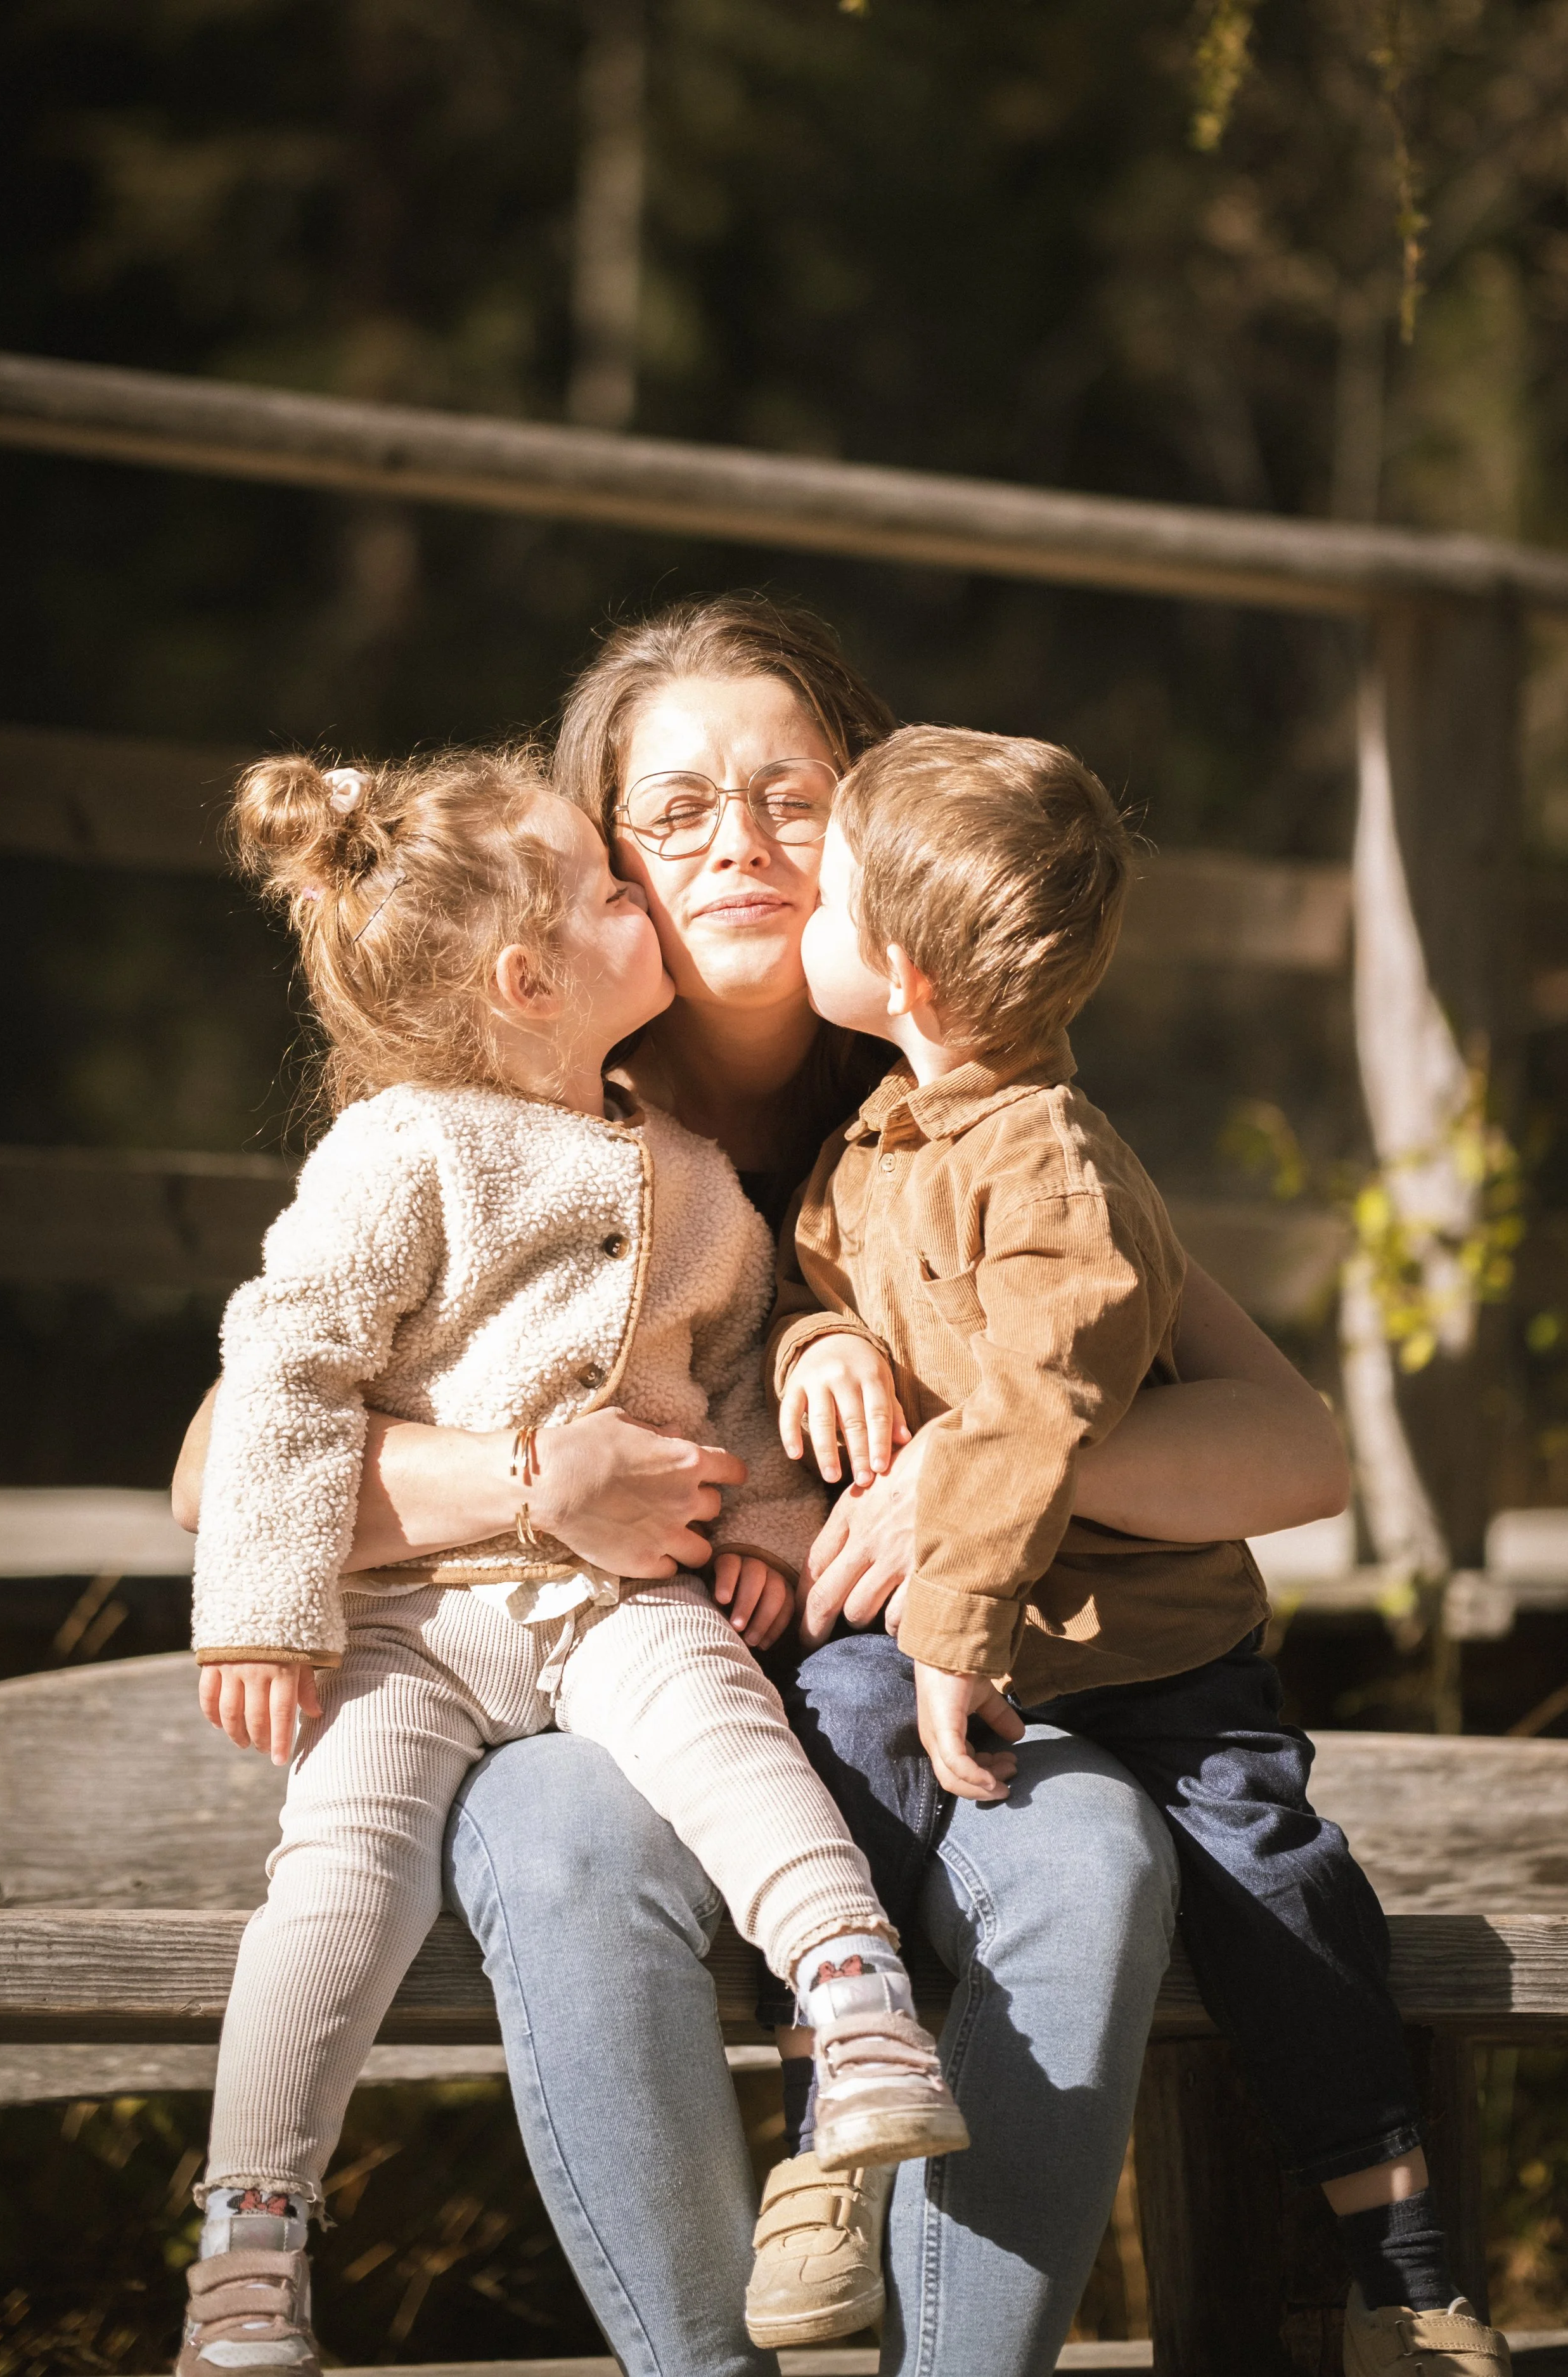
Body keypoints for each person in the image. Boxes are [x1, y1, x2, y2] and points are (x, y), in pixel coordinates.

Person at [176, 595, 1350, 2376]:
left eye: (793, 796)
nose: (738, 840)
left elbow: (1298, 1449)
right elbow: (221, 1463)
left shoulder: (967, 1105)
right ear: (586, 877)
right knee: (562, 1833)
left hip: (900, 1700)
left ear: (874, 830)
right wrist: (531, 1472)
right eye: (673, 811)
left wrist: (980, 1457)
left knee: (1093, 1846)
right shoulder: (507, 1117)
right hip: (597, 1686)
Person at [176, 741, 967, 2377]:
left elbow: (741, 1366)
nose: (645, 893)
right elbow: (289, 1368)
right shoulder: (404, 1150)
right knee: (339, 1874)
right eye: (618, 886)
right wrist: (262, 1610)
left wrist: (756, 1524)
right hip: (406, 1622)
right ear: (531, 975)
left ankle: (859, 2006)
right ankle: (251, 2240)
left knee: (738, 1745)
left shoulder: (686, 1174)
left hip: (618, 1602)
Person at [769, 720, 1511, 2377]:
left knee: (1285, 1894)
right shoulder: (881, 1144)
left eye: (819, 884)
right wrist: (810, 1344)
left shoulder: (1048, 1165)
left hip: (1155, 1659)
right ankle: (826, 2137)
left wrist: (951, 1621)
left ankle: (1398, 2265)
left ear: (895, 969)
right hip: (973, 1658)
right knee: (838, 1780)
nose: (799, 904)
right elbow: (823, 1285)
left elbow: (1038, 1406)